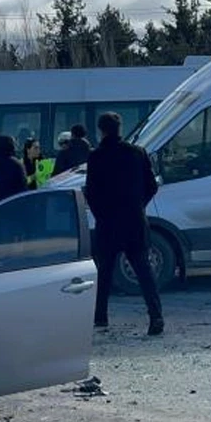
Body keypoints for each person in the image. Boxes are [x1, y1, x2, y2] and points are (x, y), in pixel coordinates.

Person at [84, 112, 163, 336]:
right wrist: (139, 206)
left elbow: (91, 192)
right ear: (120, 128)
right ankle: (156, 317)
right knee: (144, 271)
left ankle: (100, 317)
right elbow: (152, 186)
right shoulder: (137, 153)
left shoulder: (96, 157)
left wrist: (101, 214)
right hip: (134, 221)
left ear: (101, 130)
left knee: (105, 273)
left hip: (108, 223)